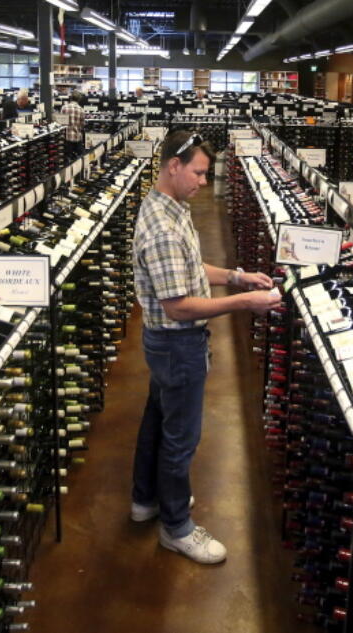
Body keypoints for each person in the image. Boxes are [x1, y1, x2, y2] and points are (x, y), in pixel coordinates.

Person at [130, 130, 281, 564]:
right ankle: (176, 528)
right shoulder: (160, 227)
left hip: (169, 346)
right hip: (177, 345)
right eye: (198, 173)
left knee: (158, 421)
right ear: (173, 166)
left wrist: (236, 276)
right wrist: (245, 302)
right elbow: (178, 306)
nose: (203, 182)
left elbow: (190, 268)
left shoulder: (170, 207)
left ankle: (146, 501)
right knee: (181, 439)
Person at [60, 91, 85, 158]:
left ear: (70, 98)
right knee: (79, 159)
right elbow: (82, 125)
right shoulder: (81, 110)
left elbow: (60, 123)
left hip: (67, 137)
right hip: (77, 137)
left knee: (67, 159)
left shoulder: (64, 108)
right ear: (79, 99)